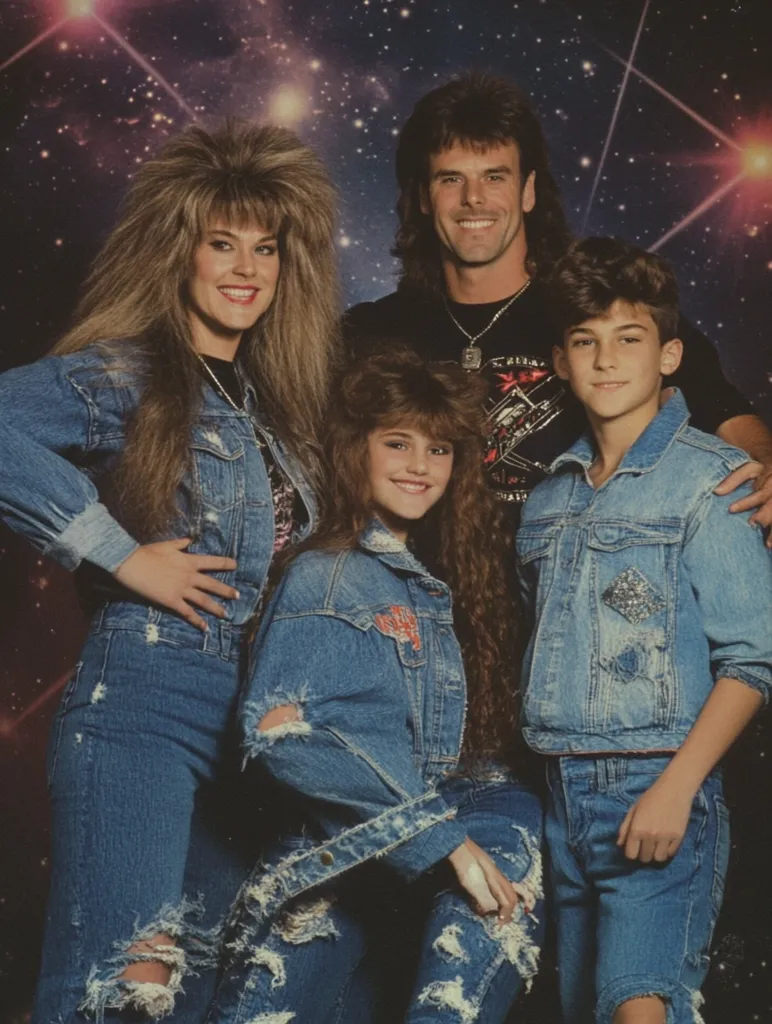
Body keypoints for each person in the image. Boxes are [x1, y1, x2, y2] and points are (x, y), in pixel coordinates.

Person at [0, 121, 340, 1022]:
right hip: (143, 703)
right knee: (121, 989)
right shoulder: (131, 372)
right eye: (221, 243)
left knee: (194, 994)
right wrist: (116, 553)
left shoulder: (275, 411)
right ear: (176, 252)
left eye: (265, 249)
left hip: (247, 732)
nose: (246, 268)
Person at [208, 348, 544, 1024]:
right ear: (355, 447)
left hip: (450, 814)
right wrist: (439, 837)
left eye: (439, 449)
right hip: (349, 847)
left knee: (462, 974)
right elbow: (281, 732)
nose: (420, 466)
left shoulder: (423, 573)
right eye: (398, 442)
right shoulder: (329, 575)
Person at [516, 237, 772, 1023]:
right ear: (559, 361)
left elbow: (753, 659)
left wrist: (676, 787)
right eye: (585, 343)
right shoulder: (546, 500)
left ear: (669, 355)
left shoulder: (711, 480)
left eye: (628, 339)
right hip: (559, 793)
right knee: (584, 1005)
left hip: (658, 782)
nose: (605, 361)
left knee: (640, 1004)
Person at [344, 72, 772, 536]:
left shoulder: (600, 310)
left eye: (494, 176)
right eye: (451, 179)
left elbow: (722, 409)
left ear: (527, 190)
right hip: (419, 600)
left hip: (570, 590)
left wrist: (768, 465)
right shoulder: (374, 331)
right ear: (425, 197)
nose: (473, 199)